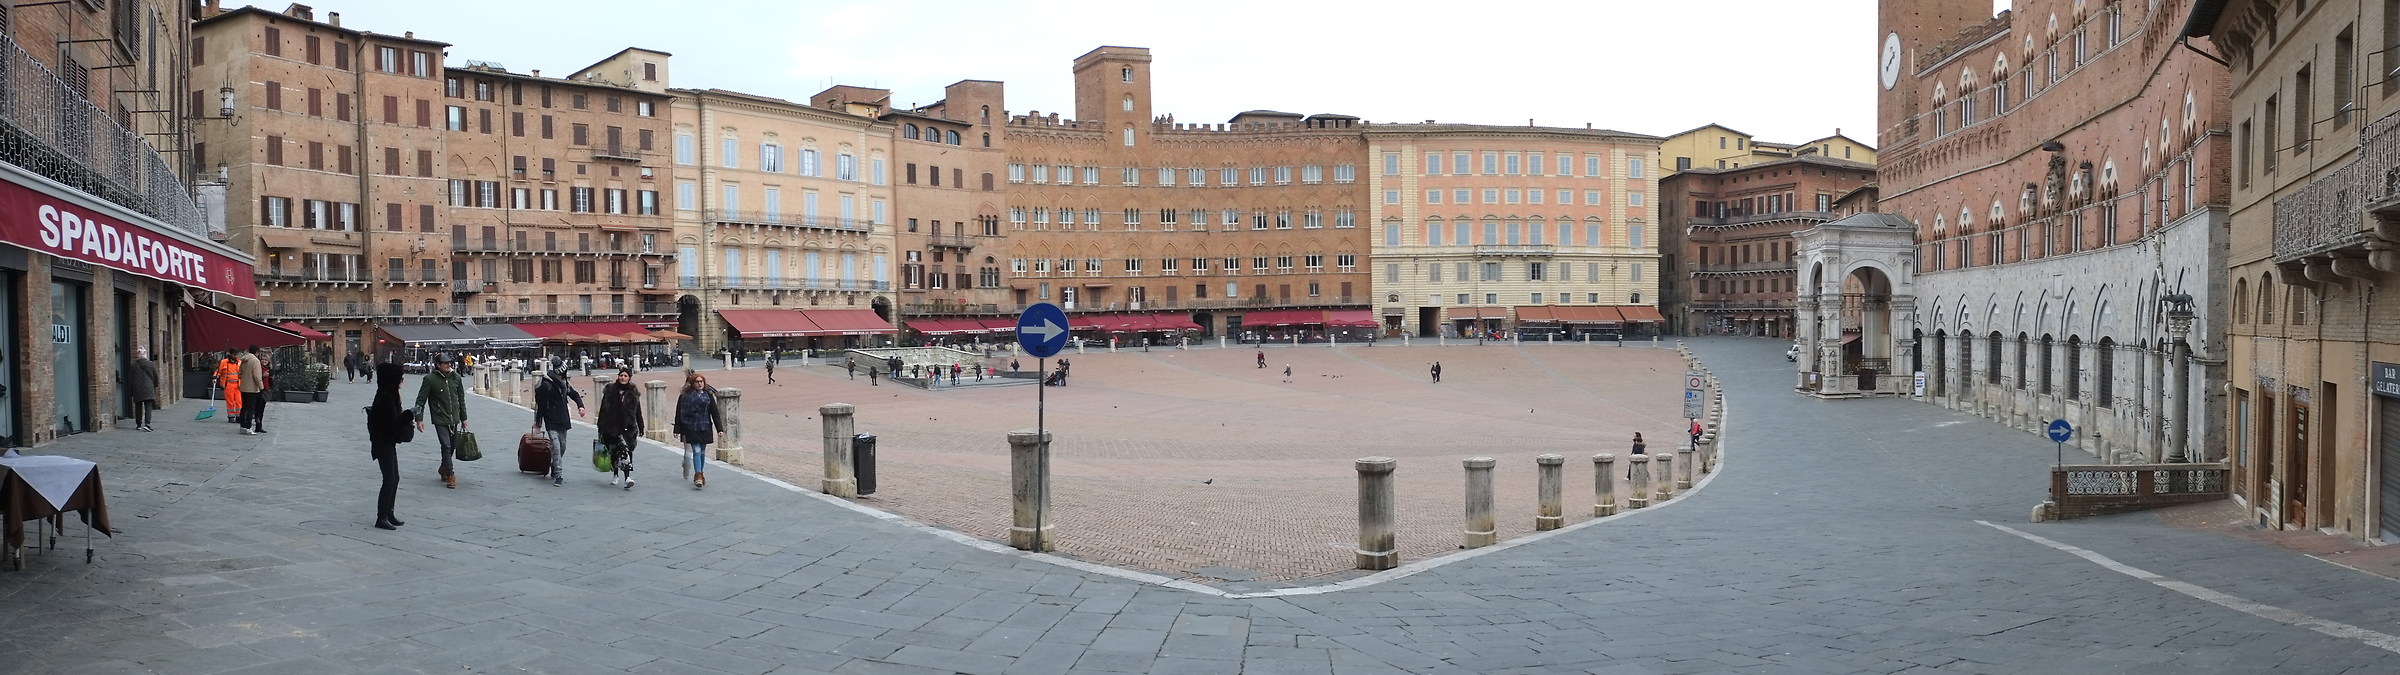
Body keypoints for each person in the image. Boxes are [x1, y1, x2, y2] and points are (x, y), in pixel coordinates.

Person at [366, 362, 411, 530]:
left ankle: (389, 512)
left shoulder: (388, 394)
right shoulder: (385, 398)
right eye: (400, 378)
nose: (402, 380)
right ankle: (381, 517)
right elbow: (392, 423)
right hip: (382, 442)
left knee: (395, 478)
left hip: (387, 442)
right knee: (389, 479)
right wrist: (409, 414)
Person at [414, 356, 469, 489]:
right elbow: (420, 400)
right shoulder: (429, 379)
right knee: (446, 445)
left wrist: (464, 418)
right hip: (439, 418)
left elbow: (461, 399)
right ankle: (451, 474)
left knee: (452, 446)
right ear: (438, 364)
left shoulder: (456, 378)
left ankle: (443, 468)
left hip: (454, 418)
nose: (448, 364)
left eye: (449, 362)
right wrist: (419, 419)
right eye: (445, 363)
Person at [530, 369, 587, 487]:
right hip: (550, 419)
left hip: (563, 418)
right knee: (556, 446)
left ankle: (554, 464)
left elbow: (574, 394)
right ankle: (558, 474)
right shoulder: (546, 385)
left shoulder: (564, 383)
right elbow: (541, 405)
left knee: (562, 447)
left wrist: (580, 406)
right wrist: (538, 422)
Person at [673, 372, 725, 489]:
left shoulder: (708, 395)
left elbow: (714, 413)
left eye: (701, 381)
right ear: (692, 383)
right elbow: (679, 413)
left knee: (702, 452)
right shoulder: (685, 396)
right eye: (697, 381)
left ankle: (700, 472)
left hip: (705, 426)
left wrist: (719, 429)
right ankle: (698, 476)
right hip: (691, 427)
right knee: (696, 450)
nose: (700, 383)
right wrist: (677, 429)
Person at [597, 368, 644, 490]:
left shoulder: (633, 393)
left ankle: (627, 477)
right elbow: (603, 409)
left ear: (629, 378)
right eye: (621, 375)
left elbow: (637, 411)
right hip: (611, 426)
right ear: (618, 377)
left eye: (625, 376)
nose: (623, 378)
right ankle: (616, 474)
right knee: (614, 452)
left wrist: (641, 425)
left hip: (627, 427)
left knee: (625, 451)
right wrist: (600, 426)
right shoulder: (610, 391)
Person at [126, 346, 159, 432]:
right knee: (148, 406)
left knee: (138, 406)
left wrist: (130, 390)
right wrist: (155, 385)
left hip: (137, 388)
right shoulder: (151, 364)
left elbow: (130, 379)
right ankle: (147, 424)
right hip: (149, 388)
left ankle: (138, 424)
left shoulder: (134, 365)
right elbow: (156, 376)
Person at [236, 346, 267, 434]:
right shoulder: (255, 361)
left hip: (244, 387)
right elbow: (257, 376)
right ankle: (248, 427)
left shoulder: (244, 360)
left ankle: (242, 426)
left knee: (244, 407)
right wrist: (261, 387)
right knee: (251, 409)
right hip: (252, 388)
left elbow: (240, 373)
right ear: (257, 352)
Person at [216, 351, 243, 425]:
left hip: (238, 385)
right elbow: (218, 371)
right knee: (230, 401)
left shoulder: (239, 362)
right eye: (234, 354)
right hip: (228, 384)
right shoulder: (224, 362)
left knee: (239, 401)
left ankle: (239, 416)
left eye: (236, 354)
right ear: (230, 354)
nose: (235, 356)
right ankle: (231, 417)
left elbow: (242, 372)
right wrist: (215, 378)